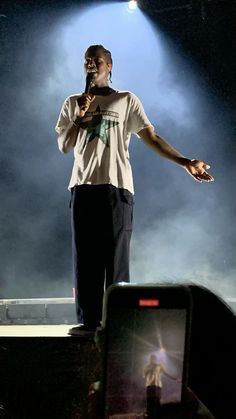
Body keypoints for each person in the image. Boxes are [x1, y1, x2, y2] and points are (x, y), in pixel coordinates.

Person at [55, 44, 214, 336]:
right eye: (87, 60)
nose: (91, 64)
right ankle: (89, 322)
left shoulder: (125, 100)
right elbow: (64, 145)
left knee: (116, 258)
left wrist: (185, 162)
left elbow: (150, 136)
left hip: (117, 190)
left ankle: (116, 320)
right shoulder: (72, 102)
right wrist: (79, 115)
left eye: (97, 60)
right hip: (83, 189)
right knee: (85, 259)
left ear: (110, 66)